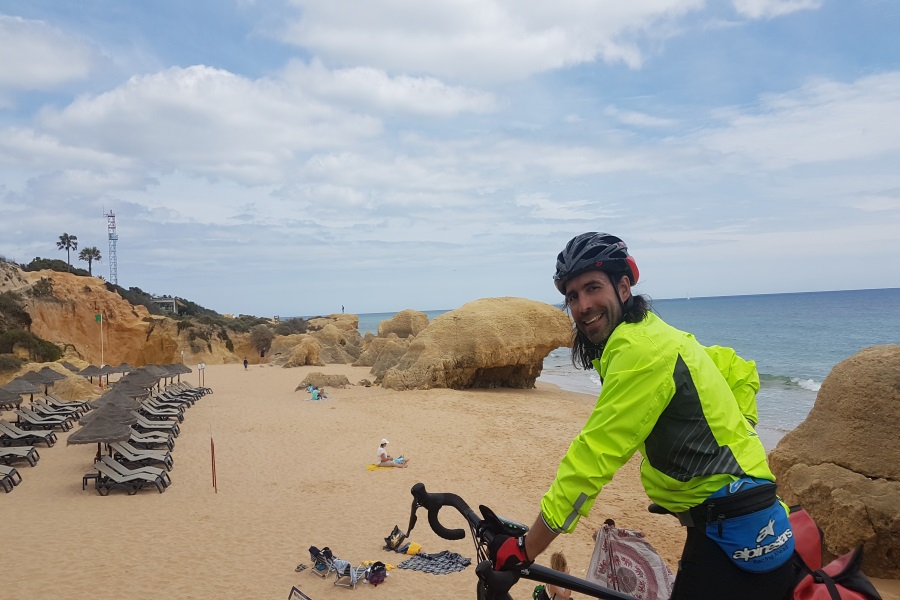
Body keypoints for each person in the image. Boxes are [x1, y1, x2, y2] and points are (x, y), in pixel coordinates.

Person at [488, 232, 797, 600]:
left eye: (592, 288)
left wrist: (527, 548)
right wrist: (730, 440)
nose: (582, 305)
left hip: (735, 529)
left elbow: (593, 457)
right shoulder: (655, 334)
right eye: (572, 296)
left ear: (623, 287)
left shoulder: (640, 350)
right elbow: (738, 368)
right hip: (741, 512)